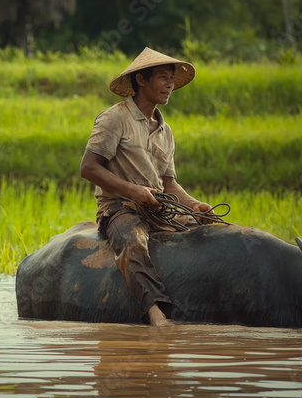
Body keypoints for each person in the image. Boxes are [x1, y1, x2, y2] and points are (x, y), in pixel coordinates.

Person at [79, 47, 213, 327]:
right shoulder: (115, 118)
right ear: (141, 80)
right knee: (133, 242)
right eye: (163, 77)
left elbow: (168, 182)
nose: (170, 85)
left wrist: (194, 205)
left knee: (212, 232)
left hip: (160, 209)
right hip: (120, 208)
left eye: (172, 79)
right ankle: (155, 313)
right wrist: (134, 191)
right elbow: (89, 168)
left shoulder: (165, 130)